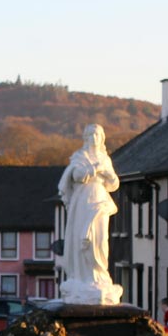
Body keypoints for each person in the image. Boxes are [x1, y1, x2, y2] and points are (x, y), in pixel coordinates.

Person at [57, 124, 123, 304]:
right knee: (82, 241)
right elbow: (78, 175)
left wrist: (108, 172)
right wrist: (96, 169)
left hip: (100, 200)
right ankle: (83, 278)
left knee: (100, 240)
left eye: (97, 134)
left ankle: (99, 276)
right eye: (90, 134)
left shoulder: (105, 158)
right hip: (83, 201)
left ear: (102, 138)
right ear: (85, 138)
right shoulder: (80, 156)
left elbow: (114, 184)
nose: (94, 138)